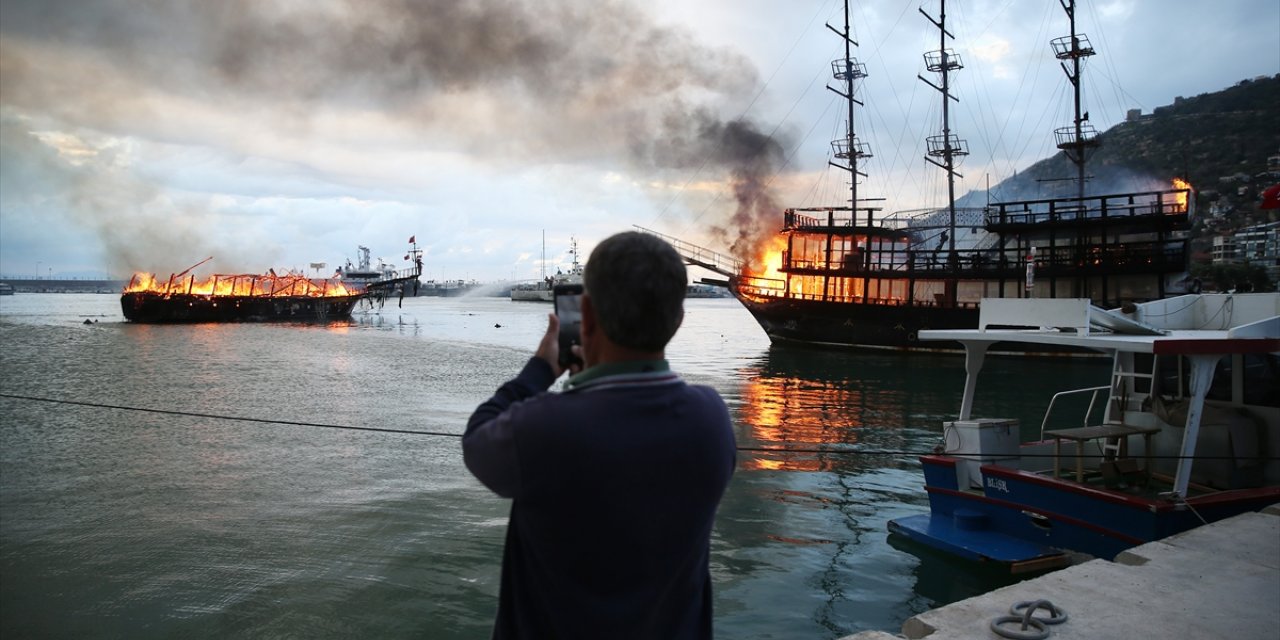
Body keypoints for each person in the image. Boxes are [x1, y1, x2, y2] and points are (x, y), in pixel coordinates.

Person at [464, 231, 736, 639]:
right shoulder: (711, 417)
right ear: (677, 320)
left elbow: (478, 441)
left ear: (585, 317)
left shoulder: (544, 428)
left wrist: (540, 370)